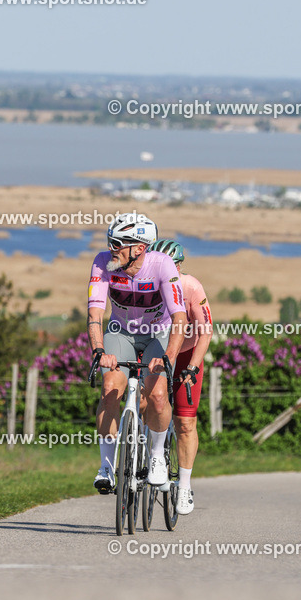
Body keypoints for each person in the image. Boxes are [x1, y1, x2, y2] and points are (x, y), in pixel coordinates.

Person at [87, 213, 187, 495]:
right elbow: (95, 313)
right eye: (110, 243)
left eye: (117, 244)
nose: (111, 250)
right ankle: (106, 466)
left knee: (156, 396)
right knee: (110, 389)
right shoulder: (103, 262)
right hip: (120, 331)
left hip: (159, 332)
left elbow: (179, 317)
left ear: (139, 248)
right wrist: (99, 350)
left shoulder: (162, 265)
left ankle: (157, 455)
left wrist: (168, 355)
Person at [149, 238, 212, 515]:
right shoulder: (147, 287)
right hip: (157, 351)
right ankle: (147, 454)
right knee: (146, 402)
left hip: (186, 354)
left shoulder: (191, 287)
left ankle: (184, 485)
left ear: (179, 265)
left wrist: (193, 366)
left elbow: (206, 330)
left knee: (185, 422)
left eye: (170, 265)